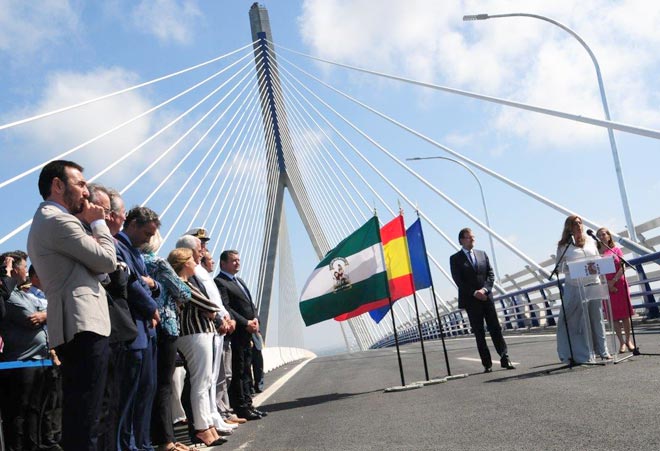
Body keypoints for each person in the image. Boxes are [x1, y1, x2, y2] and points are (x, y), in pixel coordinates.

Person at [27, 160, 117, 451]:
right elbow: (107, 261)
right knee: (87, 414)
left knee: (87, 411)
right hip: (82, 324)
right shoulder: (58, 220)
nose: (86, 193)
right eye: (80, 184)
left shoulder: (49, 221)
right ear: (57, 185)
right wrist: (98, 222)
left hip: (74, 324)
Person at [167, 248, 226, 447]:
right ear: (185, 263)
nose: (195, 263)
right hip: (194, 334)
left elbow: (209, 309)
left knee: (205, 381)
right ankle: (202, 429)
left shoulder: (184, 283)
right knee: (201, 382)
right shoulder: (182, 284)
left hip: (198, 334)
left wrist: (211, 312)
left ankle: (207, 425)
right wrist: (212, 312)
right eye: (192, 260)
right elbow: (209, 306)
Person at [115, 206, 161, 451]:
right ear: (131, 224)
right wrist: (152, 306)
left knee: (145, 392)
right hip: (133, 328)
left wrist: (153, 287)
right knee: (128, 398)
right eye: (146, 233)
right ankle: (130, 445)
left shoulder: (136, 252)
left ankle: (142, 444)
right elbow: (133, 285)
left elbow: (153, 285)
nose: (148, 239)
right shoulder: (117, 247)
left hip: (146, 330)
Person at [142, 231, 192, 451]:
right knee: (164, 385)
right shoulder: (159, 263)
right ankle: (166, 441)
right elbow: (183, 293)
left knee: (150, 384)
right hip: (167, 325)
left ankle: (153, 437)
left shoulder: (136, 261)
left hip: (146, 327)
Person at [450, 228, 515, 373]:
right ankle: (487, 363)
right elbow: (459, 280)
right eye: (468, 237)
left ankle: (505, 357)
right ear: (461, 240)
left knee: (495, 328)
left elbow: (490, 275)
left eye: (473, 237)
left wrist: (484, 290)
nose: (472, 239)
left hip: (486, 297)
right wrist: (474, 293)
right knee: (479, 332)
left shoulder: (482, 254)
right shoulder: (455, 259)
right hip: (471, 300)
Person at [215, 250, 267, 419]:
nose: (237, 263)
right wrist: (246, 323)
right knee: (238, 370)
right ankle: (241, 407)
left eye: (238, 260)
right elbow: (227, 307)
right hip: (237, 333)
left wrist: (256, 320)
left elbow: (251, 305)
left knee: (246, 369)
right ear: (223, 263)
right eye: (233, 261)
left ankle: (249, 404)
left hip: (248, 332)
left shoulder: (239, 281)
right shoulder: (220, 282)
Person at [555, 215, 611, 363]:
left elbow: (598, 259)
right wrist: (573, 268)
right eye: (575, 224)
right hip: (575, 287)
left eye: (580, 223)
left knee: (597, 318)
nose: (579, 226)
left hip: (594, 283)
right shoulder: (563, 246)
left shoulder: (591, 241)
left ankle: (603, 351)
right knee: (580, 321)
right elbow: (560, 267)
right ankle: (585, 353)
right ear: (569, 228)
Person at [596, 226, 635, 353]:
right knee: (613, 316)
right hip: (605, 285)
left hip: (619, 284)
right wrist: (608, 284)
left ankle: (629, 340)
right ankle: (621, 343)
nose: (602, 237)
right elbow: (596, 271)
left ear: (609, 236)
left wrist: (613, 281)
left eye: (604, 234)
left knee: (625, 314)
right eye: (599, 235)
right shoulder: (596, 253)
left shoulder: (616, 250)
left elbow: (622, 267)